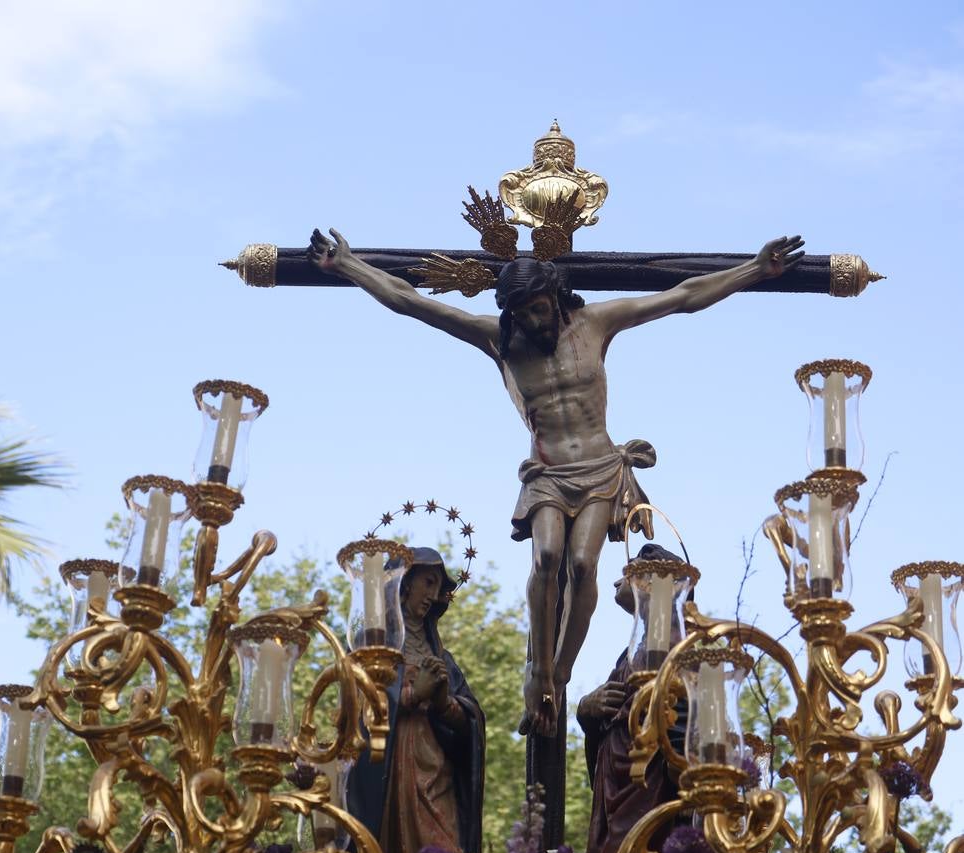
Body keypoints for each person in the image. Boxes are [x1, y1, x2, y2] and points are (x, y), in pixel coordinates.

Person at [308, 228, 805, 736]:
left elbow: (681, 298)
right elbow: (411, 302)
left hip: (599, 467)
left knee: (584, 563)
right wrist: (349, 266)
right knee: (547, 558)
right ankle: (538, 670)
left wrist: (755, 269)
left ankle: (559, 675)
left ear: (556, 295)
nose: (531, 319)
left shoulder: (596, 323)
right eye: (520, 312)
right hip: (547, 472)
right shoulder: (498, 339)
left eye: (538, 308)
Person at [347, 547, 485, 853]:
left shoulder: (443, 659)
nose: (433, 594)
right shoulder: (375, 649)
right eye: (428, 582)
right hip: (393, 770)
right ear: (404, 584)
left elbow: (470, 719)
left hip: (436, 771)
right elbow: (355, 710)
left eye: (438, 587)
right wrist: (410, 696)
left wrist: (442, 703)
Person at [577, 543, 689, 853]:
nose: (616, 583)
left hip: (650, 795)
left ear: (650, 582)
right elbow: (608, 737)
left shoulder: (680, 651)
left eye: (627, 572)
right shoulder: (629, 657)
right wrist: (586, 712)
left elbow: (686, 733)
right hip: (615, 800)